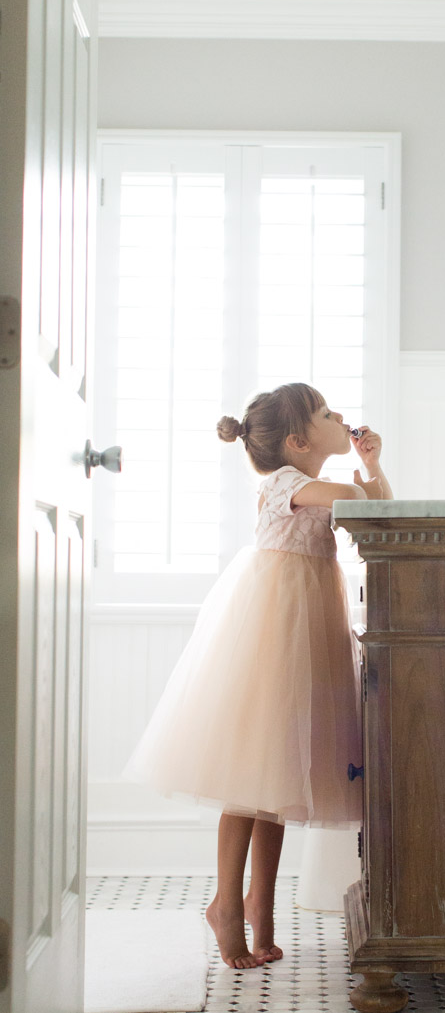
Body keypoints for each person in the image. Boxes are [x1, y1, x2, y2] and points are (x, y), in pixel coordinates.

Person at [123, 382, 393, 970]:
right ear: (298, 441)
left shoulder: (316, 481)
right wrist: (360, 476)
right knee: (250, 777)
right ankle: (226, 901)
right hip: (274, 632)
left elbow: (379, 517)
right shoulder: (286, 484)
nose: (340, 415)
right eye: (326, 413)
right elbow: (355, 499)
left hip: (311, 629)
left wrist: (373, 465)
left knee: (280, 779)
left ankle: (259, 903)